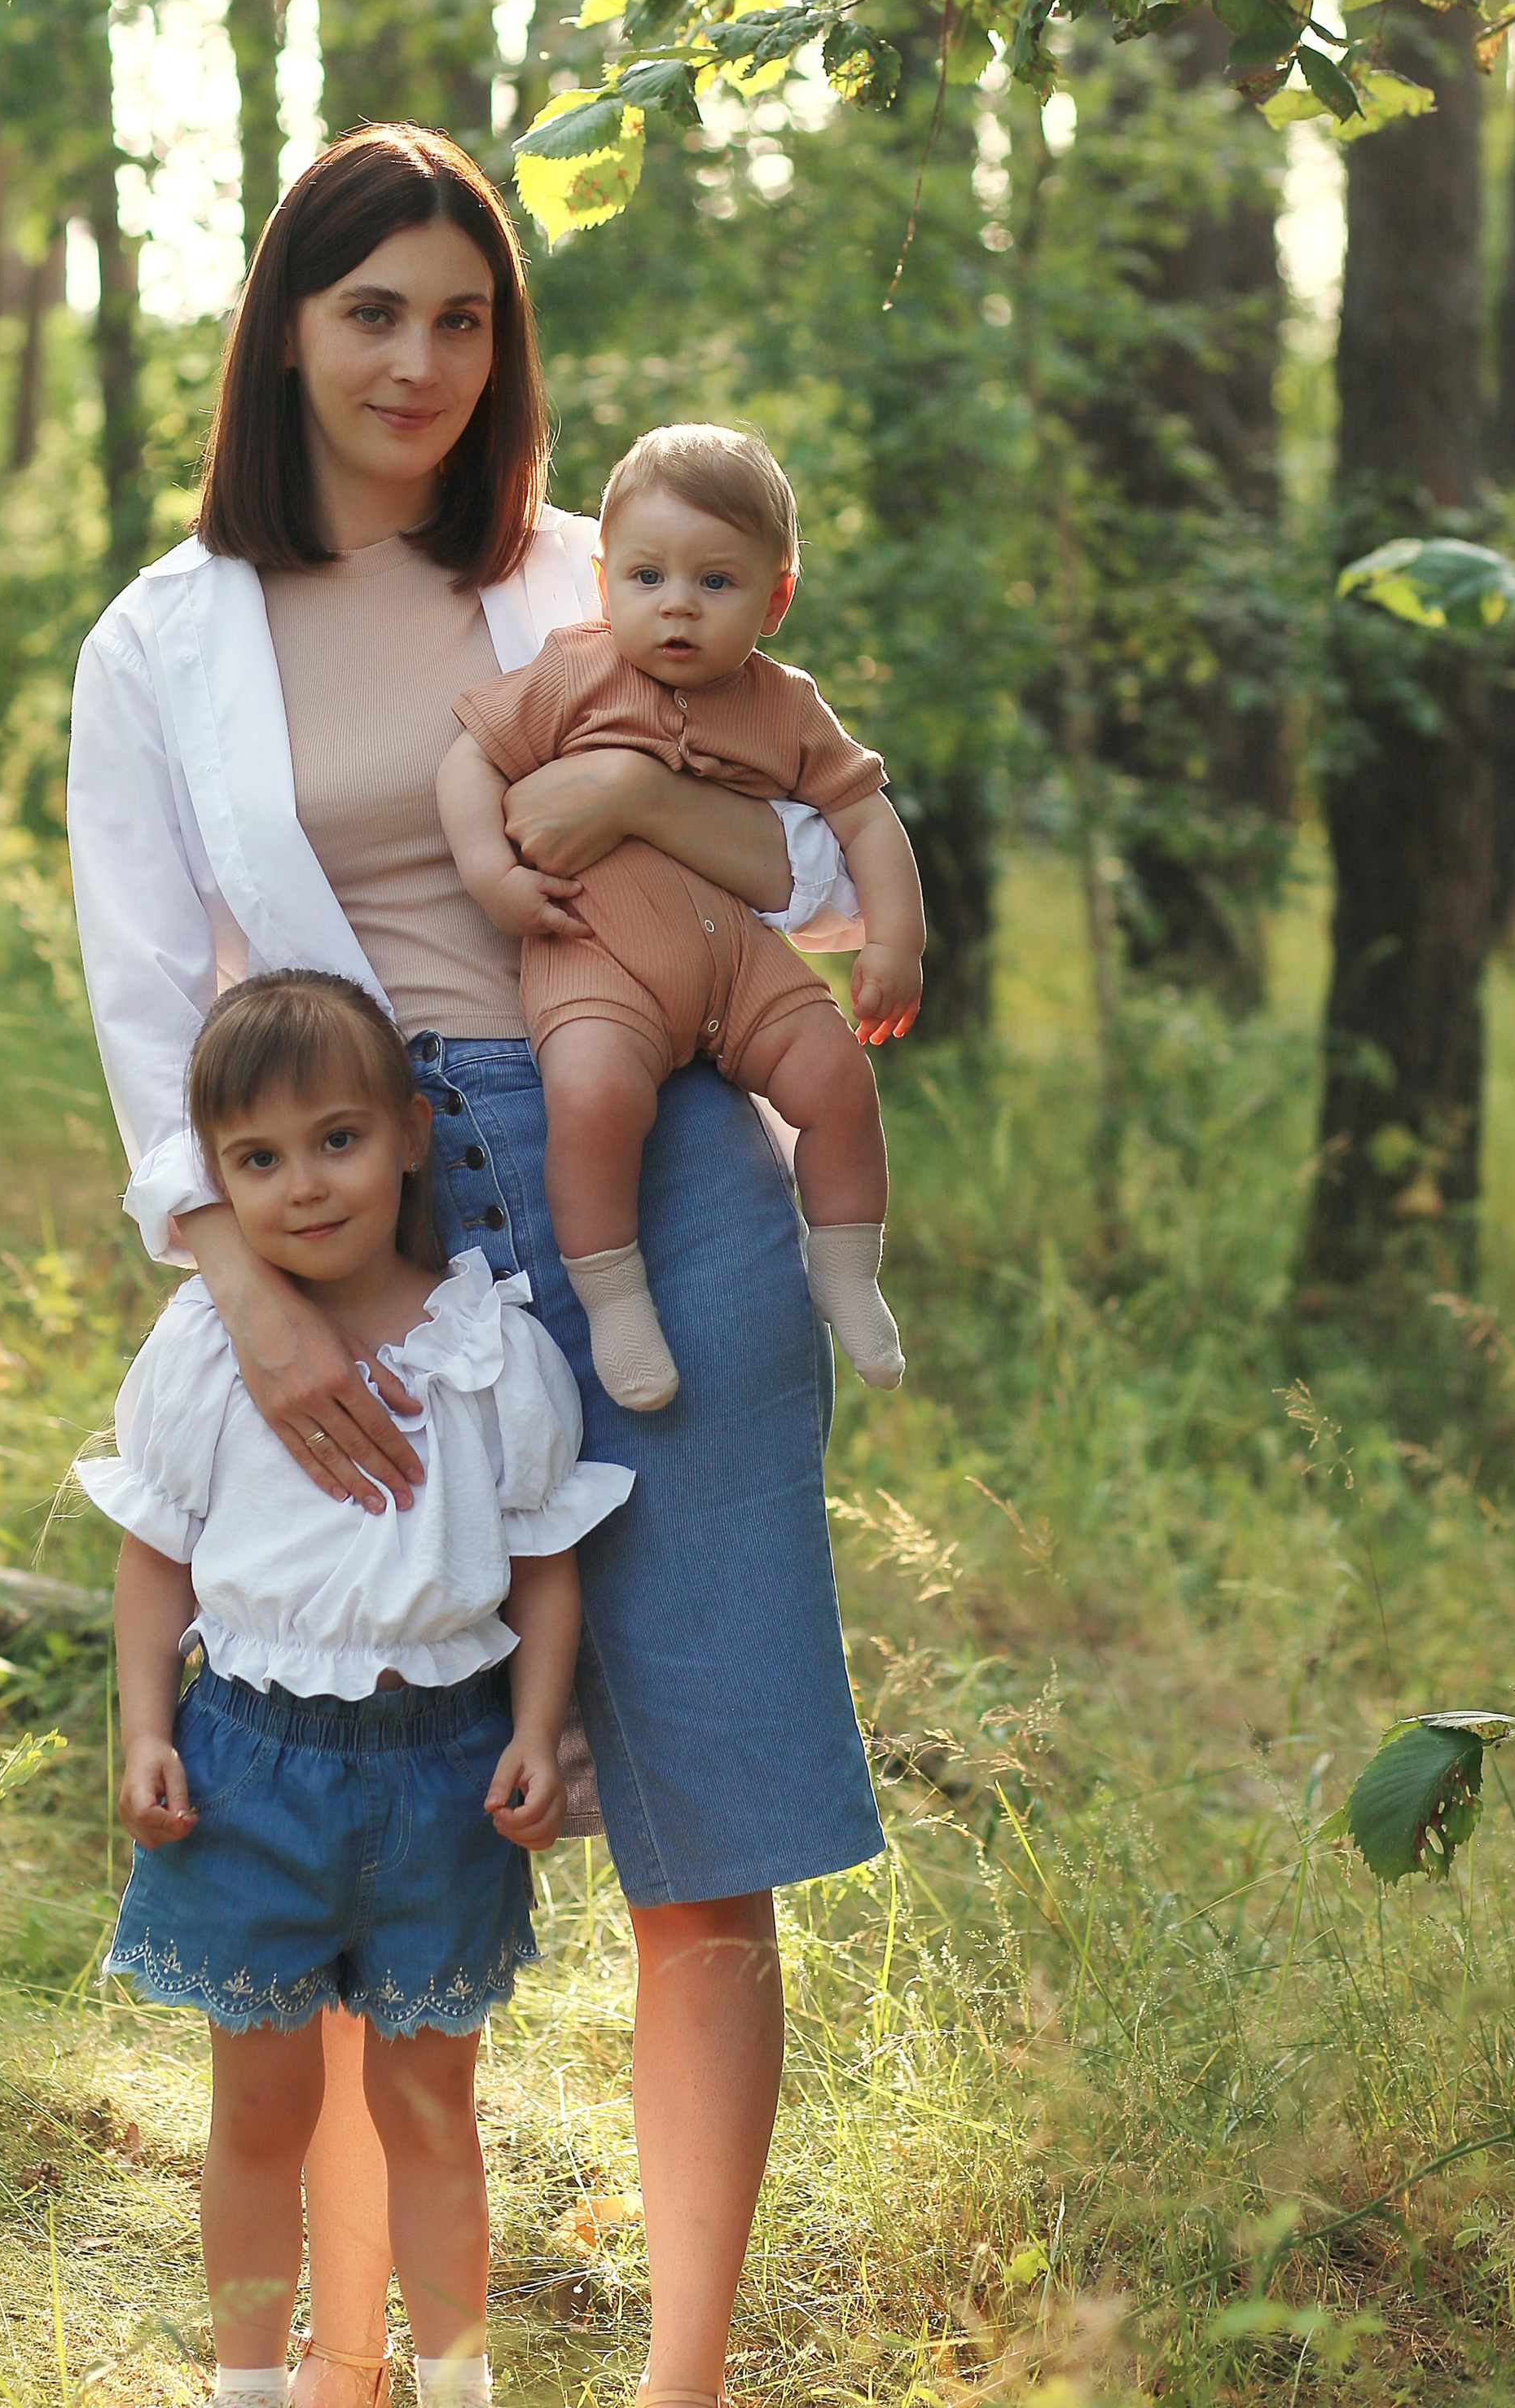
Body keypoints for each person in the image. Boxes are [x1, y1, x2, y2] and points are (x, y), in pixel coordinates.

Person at [68, 122, 886, 2408]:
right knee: (351, 1794)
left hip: (668, 1171)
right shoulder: (162, 637)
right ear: (286, 331)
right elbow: (151, 1011)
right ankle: (346, 2380)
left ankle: (684, 2384)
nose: (422, 360)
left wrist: (634, 804)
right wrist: (245, 1282)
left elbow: (819, 880)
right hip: (368, 1225)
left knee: (698, 1826)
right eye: (372, 312)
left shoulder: (591, 579)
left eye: (464, 316)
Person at [79, 969, 630, 2401]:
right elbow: (155, 1562)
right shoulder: (207, 1352)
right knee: (258, 2107)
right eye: (256, 1160)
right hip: (247, 1768)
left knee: (430, 2105)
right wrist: (146, 1729)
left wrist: (532, 1729)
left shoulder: (490, 1351)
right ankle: (251, 2386)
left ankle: (454, 2380)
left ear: (404, 1136)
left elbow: (542, 1565)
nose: (303, 1186)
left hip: (442, 1775)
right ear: (213, 1180)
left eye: (335, 1139)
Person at [437, 422, 923, 1412]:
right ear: (606, 577)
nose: (677, 609)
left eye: (716, 583)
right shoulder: (572, 673)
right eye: (649, 578)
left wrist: (896, 943)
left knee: (836, 1077)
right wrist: (491, 876)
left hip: (743, 968)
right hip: (595, 957)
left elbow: (866, 817)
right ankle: (615, 1300)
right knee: (590, 1098)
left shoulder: (784, 705)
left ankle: (847, 1267)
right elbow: (469, 761)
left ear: (775, 598)